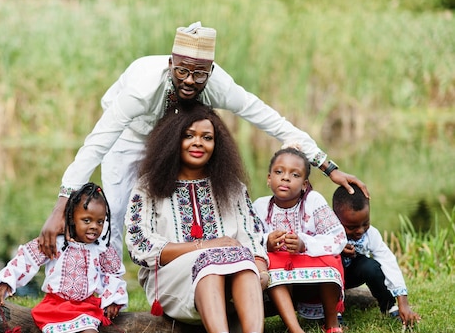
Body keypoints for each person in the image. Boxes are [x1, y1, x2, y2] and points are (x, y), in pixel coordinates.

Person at [38, 21, 368, 260]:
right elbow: (97, 143)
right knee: (115, 212)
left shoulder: (219, 85)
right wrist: (61, 205)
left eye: (199, 74)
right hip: (130, 137)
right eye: (182, 71)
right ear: (171, 64)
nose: (190, 81)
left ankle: (186, 275)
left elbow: (272, 121)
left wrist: (328, 167)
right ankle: (103, 295)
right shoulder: (142, 90)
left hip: (173, 141)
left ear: (210, 70)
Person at [125, 101, 277, 333]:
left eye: (207, 137)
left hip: (234, 278)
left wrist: (259, 268)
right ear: (173, 141)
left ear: (217, 145)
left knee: (239, 257)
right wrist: (204, 247)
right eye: (189, 135)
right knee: (216, 257)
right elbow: (139, 244)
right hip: (170, 282)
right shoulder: (148, 187)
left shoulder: (232, 187)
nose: (198, 143)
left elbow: (253, 236)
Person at [0, 183, 128, 333]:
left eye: (100, 222)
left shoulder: (101, 249)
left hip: (85, 304)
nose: (94, 227)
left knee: (90, 332)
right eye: (87, 220)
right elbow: (27, 258)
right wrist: (7, 280)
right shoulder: (56, 243)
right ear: (72, 218)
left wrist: (112, 299)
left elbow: (113, 274)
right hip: (56, 303)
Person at [252, 147, 352, 333]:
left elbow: (337, 236)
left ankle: (333, 325)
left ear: (305, 184)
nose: (285, 178)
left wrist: (304, 244)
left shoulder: (313, 201)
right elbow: (249, 239)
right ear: (269, 179)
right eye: (279, 172)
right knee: (271, 263)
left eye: (295, 175)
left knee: (331, 259)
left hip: (309, 267)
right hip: (281, 272)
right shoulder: (260, 206)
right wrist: (266, 242)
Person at [332, 184, 421, 328]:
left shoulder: (370, 234)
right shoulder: (327, 232)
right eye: (352, 227)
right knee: (331, 261)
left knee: (371, 267)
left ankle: (389, 307)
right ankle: (333, 313)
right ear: (335, 219)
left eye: (365, 223)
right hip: (331, 277)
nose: (360, 230)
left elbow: (388, 261)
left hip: (352, 275)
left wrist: (403, 301)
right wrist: (337, 248)